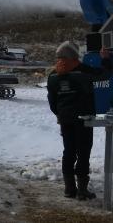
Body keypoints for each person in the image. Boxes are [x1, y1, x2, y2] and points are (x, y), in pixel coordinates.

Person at [47, 41, 111, 200]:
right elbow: (104, 74)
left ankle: (69, 189)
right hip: (83, 118)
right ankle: (82, 191)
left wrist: (61, 114)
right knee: (83, 153)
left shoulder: (53, 75)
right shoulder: (82, 71)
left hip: (65, 119)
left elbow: (52, 101)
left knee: (68, 152)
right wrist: (105, 59)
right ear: (74, 56)